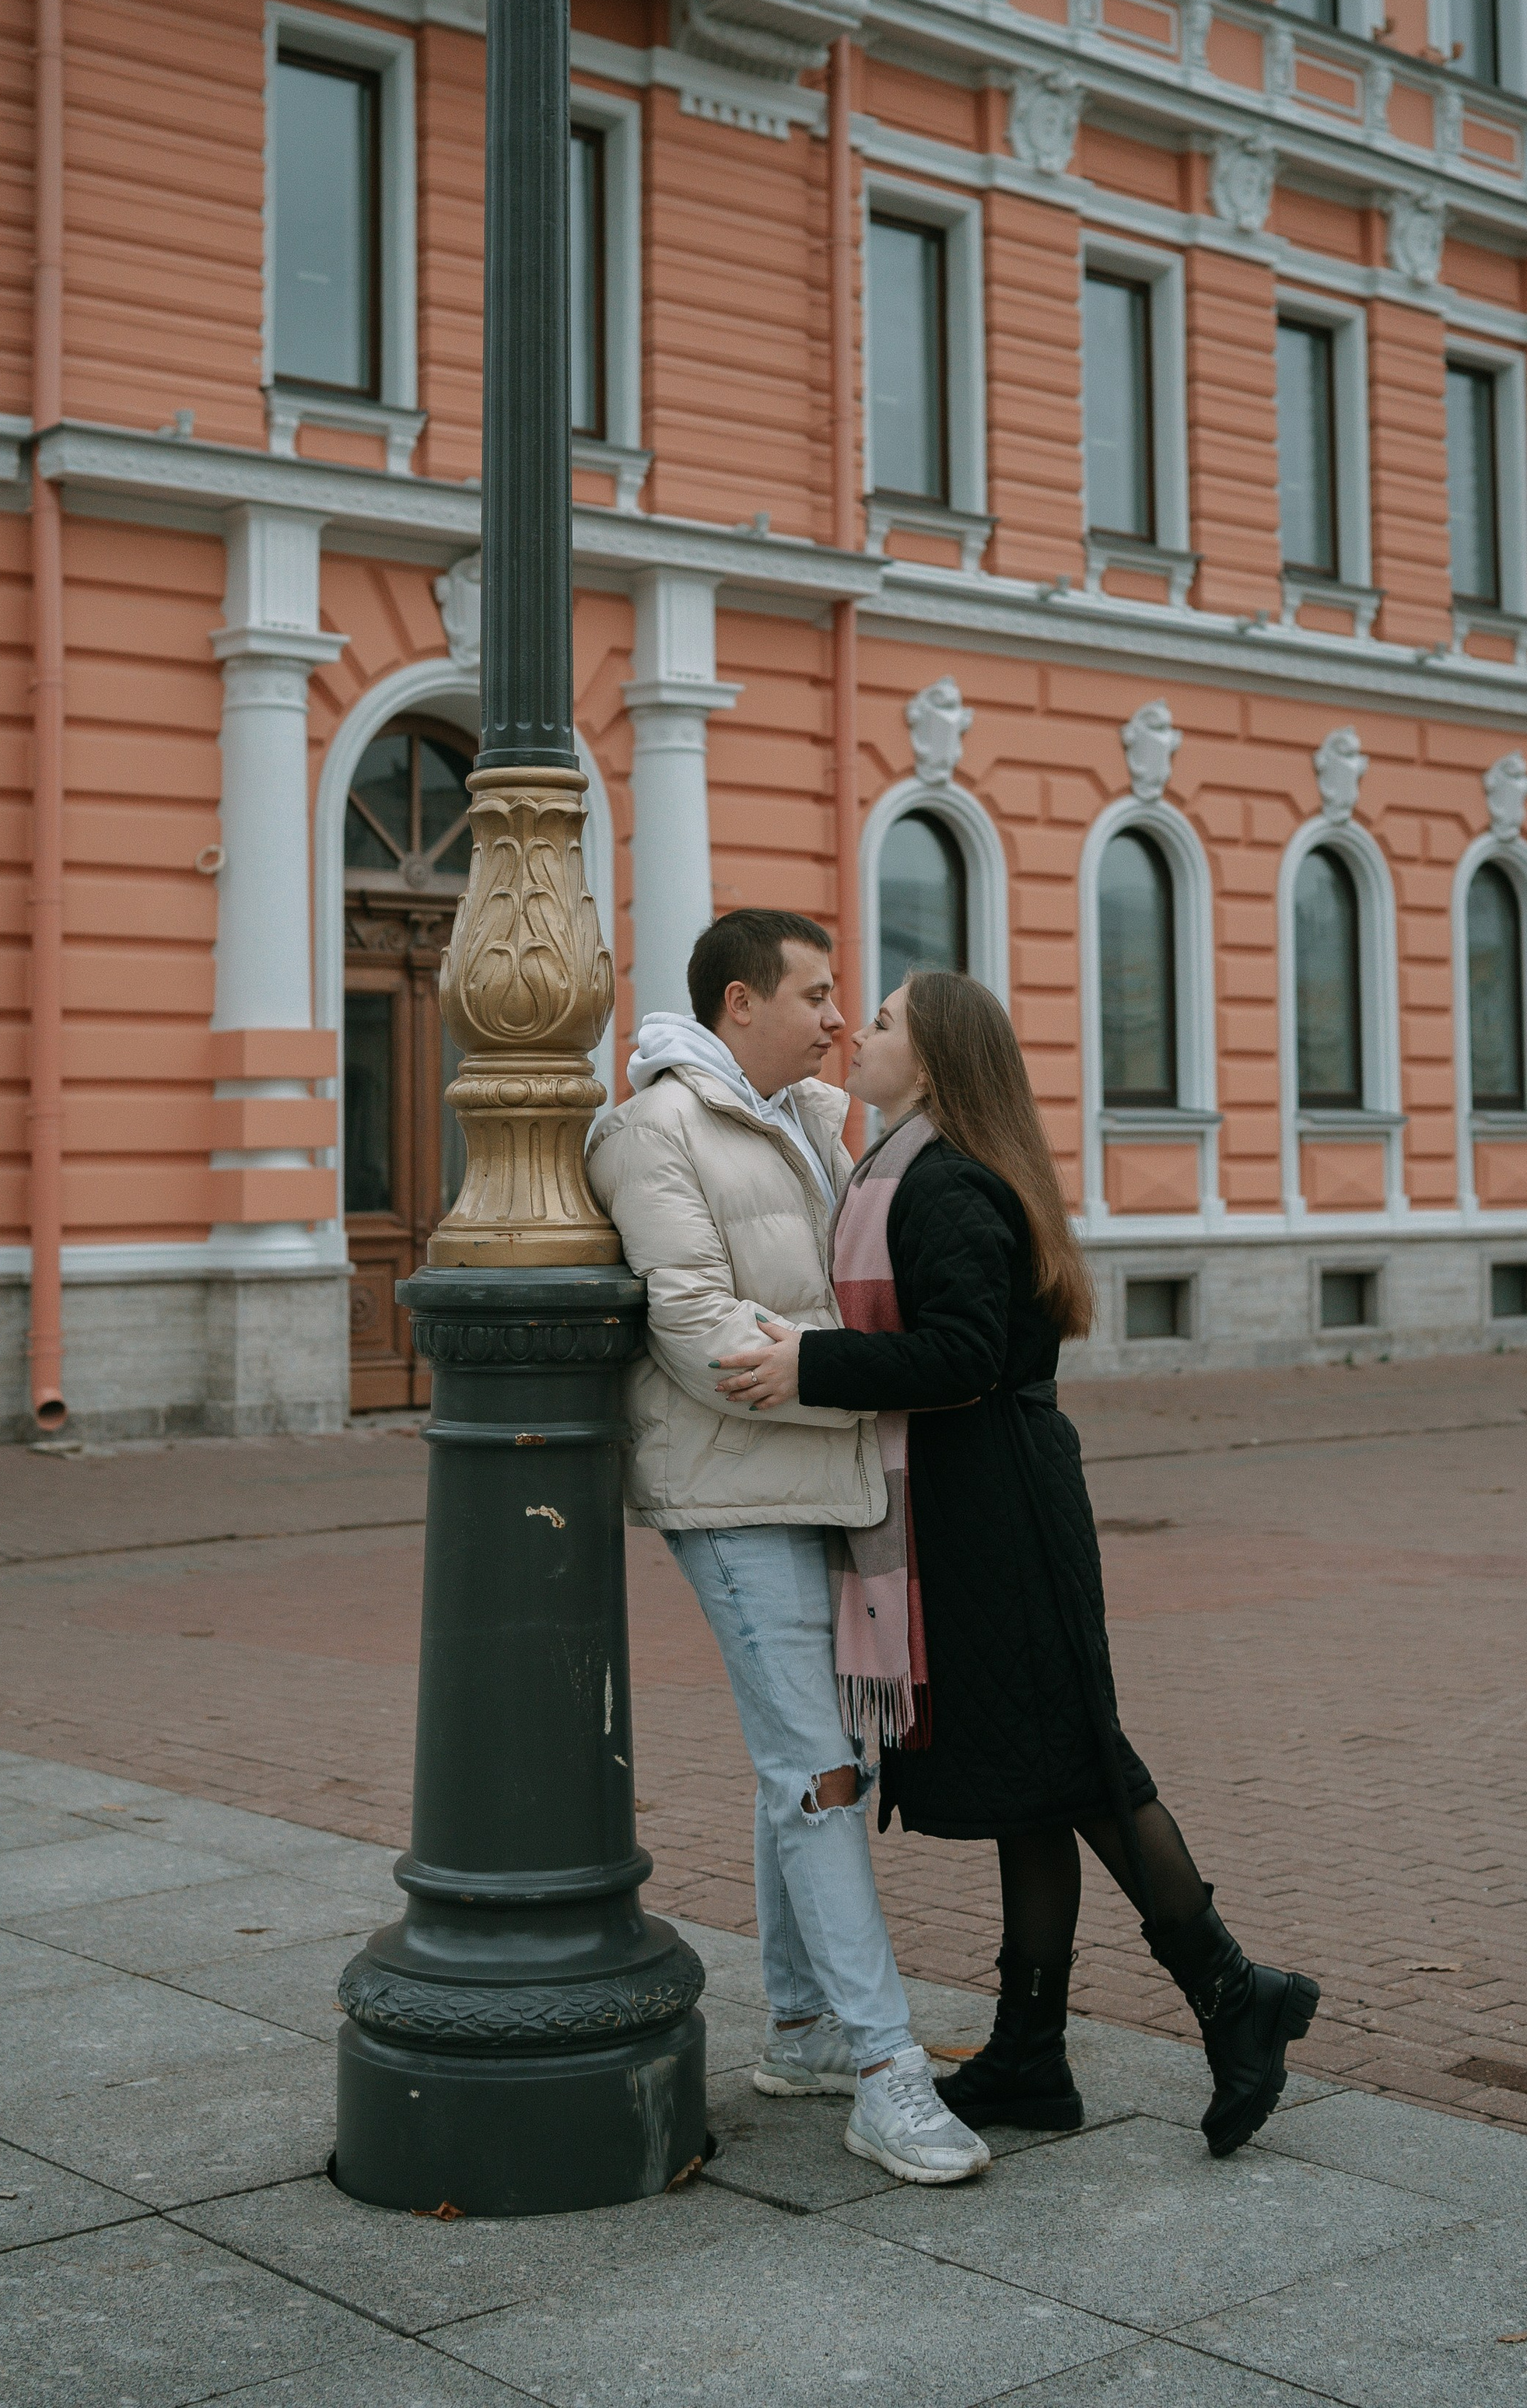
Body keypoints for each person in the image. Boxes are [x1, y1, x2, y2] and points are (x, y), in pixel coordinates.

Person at [713, 969, 1319, 2160]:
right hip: (972, 1504)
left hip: (998, 1510)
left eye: (880, 1020)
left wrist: (810, 1366)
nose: (859, 1031)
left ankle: (1234, 1991)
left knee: (1080, 1762)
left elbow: (962, 1354)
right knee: (1028, 1774)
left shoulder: (948, 1184)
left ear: (932, 1059)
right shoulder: (918, 1168)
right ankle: (1032, 2050)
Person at [585, 911, 990, 2186]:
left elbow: (829, 1303)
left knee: (803, 1759)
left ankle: (805, 2027)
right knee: (818, 1769)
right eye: (815, 994)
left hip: (820, 1475)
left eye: (841, 997)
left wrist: (838, 1371)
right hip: (737, 1489)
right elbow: (699, 1323)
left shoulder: (811, 1119)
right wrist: (854, 1380)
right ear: (740, 1001)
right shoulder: (653, 1129)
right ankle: (885, 2070)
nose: (836, 1016)